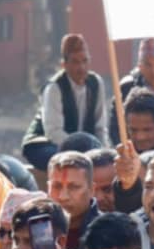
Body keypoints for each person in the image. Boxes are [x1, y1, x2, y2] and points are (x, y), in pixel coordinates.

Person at [34, 34, 113, 166]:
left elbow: (100, 126)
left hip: (88, 146)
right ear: (64, 64)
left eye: (85, 61)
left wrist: (102, 150)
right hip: (55, 144)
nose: (81, 67)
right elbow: (53, 132)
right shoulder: (54, 88)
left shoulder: (96, 83)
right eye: (76, 62)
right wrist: (80, 149)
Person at [44, 151, 99, 249]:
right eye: (57, 186)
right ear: (48, 188)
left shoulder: (108, 231)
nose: (63, 196)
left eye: (74, 187)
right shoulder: (36, 228)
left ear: (92, 190)